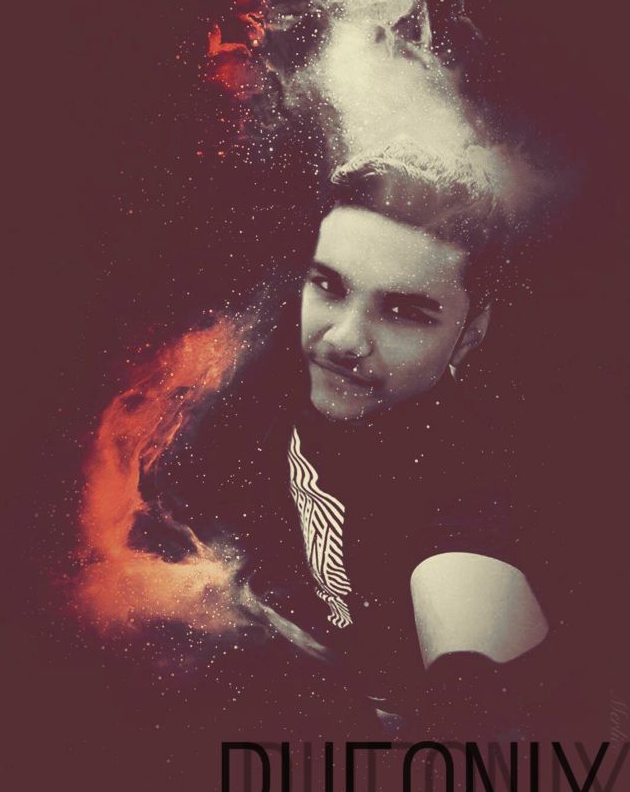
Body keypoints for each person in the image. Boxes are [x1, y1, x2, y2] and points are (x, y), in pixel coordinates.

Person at [132, 140, 556, 739]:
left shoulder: (464, 477)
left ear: (469, 337)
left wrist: (463, 709)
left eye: (404, 313)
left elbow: (479, 652)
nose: (343, 340)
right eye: (329, 287)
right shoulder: (272, 358)